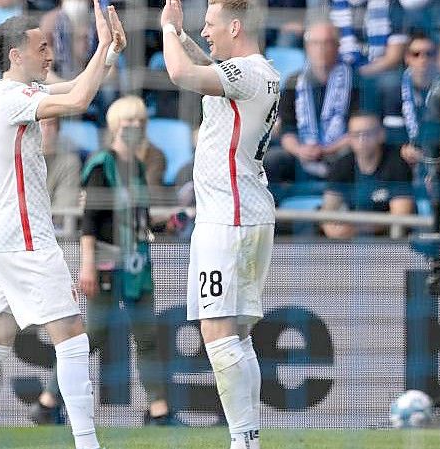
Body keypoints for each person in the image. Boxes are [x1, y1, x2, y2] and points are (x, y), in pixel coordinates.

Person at [0, 5, 126, 449]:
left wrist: (109, 51)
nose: (50, 53)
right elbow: (79, 101)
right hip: (24, 235)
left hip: (3, 231)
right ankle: (87, 443)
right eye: (42, 47)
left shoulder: (7, 91)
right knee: (72, 335)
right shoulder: (11, 99)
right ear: (17, 55)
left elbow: (78, 86)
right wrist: (100, 47)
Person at [160, 0, 281, 447]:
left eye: (209, 25)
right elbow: (206, 66)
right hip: (247, 213)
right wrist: (186, 36)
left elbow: (181, 74)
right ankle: (249, 437)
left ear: (234, 26)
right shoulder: (260, 72)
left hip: (228, 218)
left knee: (217, 333)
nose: (204, 32)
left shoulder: (246, 73)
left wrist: (169, 31)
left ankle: (241, 441)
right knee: (237, 335)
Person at [30, 96, 175, 427]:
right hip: (107, 264)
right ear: (114, 127)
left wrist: (163, 223)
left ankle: (158, 409)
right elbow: (90, 221)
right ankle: (48, 400)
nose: (135, 129)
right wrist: (87, 264)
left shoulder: (137, 168)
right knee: (91, 336)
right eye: (128, 123)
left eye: (140, 123)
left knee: (147, 337)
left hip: (136, 264)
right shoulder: (100, 165)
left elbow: (138, 218)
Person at [263, 20, 360, 203]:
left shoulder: (355, 81)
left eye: (328, 43)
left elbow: (358, 130)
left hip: (341, 153)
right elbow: (287, 129)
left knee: (354, 160)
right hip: (302, 154)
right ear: (307, 47)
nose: (321, 49)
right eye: (316, 43)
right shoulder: (294, 81)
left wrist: (327, 149)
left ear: (338, 47)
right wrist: (300, 150)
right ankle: (276, 220)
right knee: (270, 162)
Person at [320, 112, 414, 238]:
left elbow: (401, 215)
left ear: (381, 134)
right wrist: (331, 228)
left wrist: (356, 227)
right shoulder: (342, 165)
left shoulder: (397, 164)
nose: (361, 140)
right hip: (352, 243)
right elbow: (328, 210)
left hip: (389, 243)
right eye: (356, 135)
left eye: (367, 134)